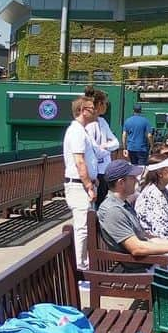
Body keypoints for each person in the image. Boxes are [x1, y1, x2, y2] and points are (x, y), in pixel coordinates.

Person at [97, 159, 168, 272]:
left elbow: (143, 236)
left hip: (148, 260)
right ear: (121, 182)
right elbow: (137, 248)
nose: (136, 180)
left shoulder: (121, 204)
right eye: (132, 177)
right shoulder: (112, 210)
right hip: (143, 267)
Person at [62, 95, 103, 268]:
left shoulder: (82, 130)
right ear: (81, 111)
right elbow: (79, 161)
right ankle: (81, 268)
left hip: (85, 185)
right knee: (82, 228)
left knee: (86, 226)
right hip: (79, 186)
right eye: (91, 108)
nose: (94, 111)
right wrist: (88, 185)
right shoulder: (76, 131)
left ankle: (83, 264)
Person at [84, 88, 121, 204]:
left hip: (105, 171)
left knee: (101, 206)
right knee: (92, 208)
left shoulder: (102, 122)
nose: (106, 106)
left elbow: (116, 143)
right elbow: (96, 151)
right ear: (99, 104)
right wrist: (107, 149)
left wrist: (105, 147)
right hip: (94, 173)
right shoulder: (88, 123)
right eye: (105, 103)